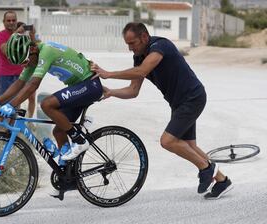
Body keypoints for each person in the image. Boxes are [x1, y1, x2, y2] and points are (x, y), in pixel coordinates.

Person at [91, 22, 233, 199]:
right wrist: (111, 92)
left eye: (132, 43)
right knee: (189, 145)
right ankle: (222, 181)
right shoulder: (138, 58)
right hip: (178, 103)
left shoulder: (160, 45)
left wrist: (109, 73)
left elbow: (142, 71)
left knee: (167, 141)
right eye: (127, 44)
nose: (130, 48)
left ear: (144, 37)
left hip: (192, 98)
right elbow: (133, 91)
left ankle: (207, 168)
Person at [0, 28, 103, 161]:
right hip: (79, 87)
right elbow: (19, 83)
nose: (26, 65)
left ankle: (80, 140)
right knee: (58, 132)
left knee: (47, 104)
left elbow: (33, 84)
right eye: (23, 63)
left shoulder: (47, 51)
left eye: (26, 61)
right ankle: (67, 172)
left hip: (89, 84)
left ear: (33, 49)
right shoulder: (32, 56)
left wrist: (11, 105)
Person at [0, 11, 36, 131]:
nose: (11, 23)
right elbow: (6, 50)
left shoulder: (22, 36)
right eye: (8, 20)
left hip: (20, 75)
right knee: (1, 106)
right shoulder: (1, 35)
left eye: (13, 20)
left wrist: (32, 36)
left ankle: (8, 134)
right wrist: (16, 33)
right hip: (5, 75)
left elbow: (32, 52)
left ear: (16, 21)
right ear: (3, 22)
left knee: (14, 107)